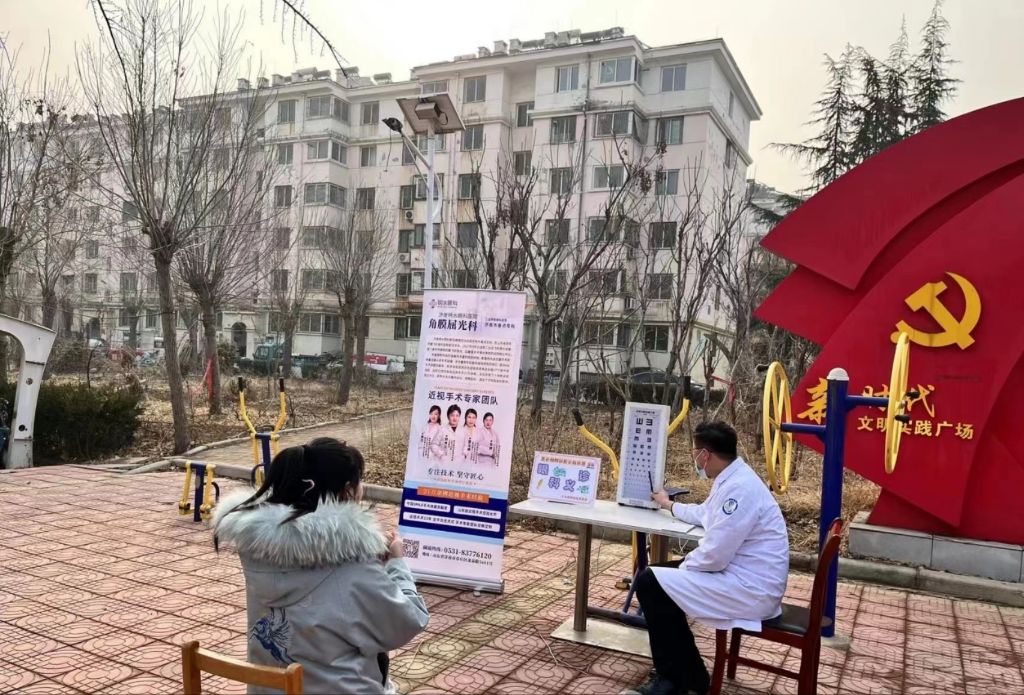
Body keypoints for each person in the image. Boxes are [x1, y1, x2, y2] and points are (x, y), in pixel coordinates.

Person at [213, 437, 429, 695]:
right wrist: (396, 563)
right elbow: (407, 621)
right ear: (347, 491)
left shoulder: (255, 548)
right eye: (360, 481)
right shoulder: (352, 564)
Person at [625, 421, 789, 695]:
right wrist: (669, 504)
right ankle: (691, 676)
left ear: (705, 454)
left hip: (751, 589)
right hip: (742, 574)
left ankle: (673, 681)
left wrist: (684, 568)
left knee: (650, 583)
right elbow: (706, 514)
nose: (695, 460)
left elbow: (715, 555)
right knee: (655, 579)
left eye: (694, 453)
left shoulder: (740, 489)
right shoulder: (734, 477)